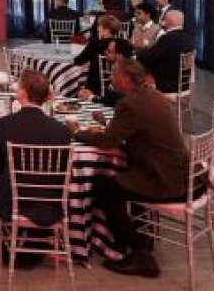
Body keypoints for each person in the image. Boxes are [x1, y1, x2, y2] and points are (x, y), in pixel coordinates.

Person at [69, 57, 190, 278]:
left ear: (126, 79)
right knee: (115, 177)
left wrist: (77, 132)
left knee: (102, 186)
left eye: (114, 74)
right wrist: (107, 125)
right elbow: (131, 132)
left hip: (160, 178)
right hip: (179, 171)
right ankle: (137, 237)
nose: (110, 77)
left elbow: (108, 142)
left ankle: (138, 250)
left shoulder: (129, 104)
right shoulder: (152, 94)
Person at [0, 68, 72, 265]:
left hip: (12, 202)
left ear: (23, 94)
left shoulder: (4, 124)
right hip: (49, 203)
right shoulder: (62, 131)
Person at [138, 10, 193, 93]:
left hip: (166, 86)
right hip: (183, 85)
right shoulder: (188, 38)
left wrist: (138, 53)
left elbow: (148, 58)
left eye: (164, 20)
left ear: (167, 22)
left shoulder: (167, 39)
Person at [77, 37, 134, 107]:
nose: (105, 52)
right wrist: (91, 96)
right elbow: (109, 100)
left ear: (119, 56)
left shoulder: (124, 75)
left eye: (109, 51)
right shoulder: (125, 68)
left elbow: (111, 102)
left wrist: (90, 97)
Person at [74, 15, 122, 96]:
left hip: (95, 85)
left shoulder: (95, 43)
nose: (97, 28)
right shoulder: (121, 43)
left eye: (99, 26)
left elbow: (79, 60)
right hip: (117, 83)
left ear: (106, 30)